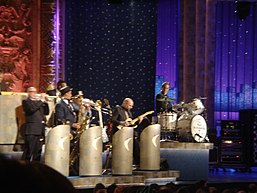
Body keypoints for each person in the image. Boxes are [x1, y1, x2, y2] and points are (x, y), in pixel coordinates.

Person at [55, 86, 81, 175]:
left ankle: (73, 169)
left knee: (74, 152)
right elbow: (60, 119)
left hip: (73, 131)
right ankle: (68, 170)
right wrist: (72, 124)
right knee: (68, 152)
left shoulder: (69, 103)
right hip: (66, 132)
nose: (71, 94)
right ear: (66, 94)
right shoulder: (60, 104)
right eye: (70, 93)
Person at [111, 98, 143, 166]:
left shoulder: (128, 112)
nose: (131, 107)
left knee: (136, 145)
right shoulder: (118, 109)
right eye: (130, 105)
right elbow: (113, 120)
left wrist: (138, 121)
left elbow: (131, 123)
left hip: (127, 133)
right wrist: (121, 122)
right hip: (119, 133)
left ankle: (137, 163)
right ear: (125, 103)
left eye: (131, 106)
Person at [21, 86, 49, 162]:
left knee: (38, 152)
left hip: (40, 130)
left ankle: (36, 168)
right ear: (28, 93)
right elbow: (31, 109)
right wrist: (41, 100)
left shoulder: (39, 102)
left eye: (35, 92)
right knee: (29, 151)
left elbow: (46, 112)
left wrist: (45, 103)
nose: (34, 94)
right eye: (32, 92)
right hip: (31, 130)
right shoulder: (26, 102)